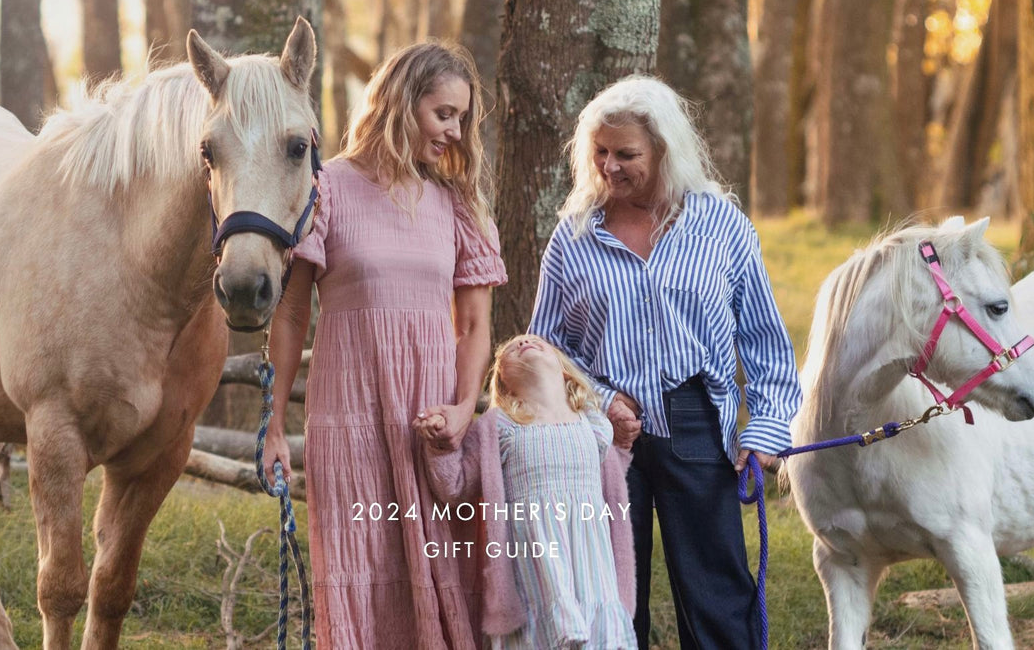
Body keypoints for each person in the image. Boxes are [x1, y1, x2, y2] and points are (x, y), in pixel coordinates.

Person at [528, 76, 801, 649]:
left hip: (697, 418)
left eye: (626, 154)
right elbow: (543, 348)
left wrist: (767, 429)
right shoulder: (574, 235)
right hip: (603, 434)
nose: (609, 166)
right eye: (599, 152)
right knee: (610, 593)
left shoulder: (720, 225)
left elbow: (765, 342)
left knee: (717, 593)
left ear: (664, 152)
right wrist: (601, 401)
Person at [263, 40, 505, 649]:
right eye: (442, 113)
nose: (454, 131)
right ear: (401, 103)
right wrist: (272, 425)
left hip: (430, 423)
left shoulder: (458, 206)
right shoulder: (328, 190)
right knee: (358, 565)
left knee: (440, 570)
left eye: (461, 118)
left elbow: (475, 327)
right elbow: (291, 316)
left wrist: (461, 407)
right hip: (349, 417)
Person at [416, 334, 637, 649]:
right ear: (503, 382)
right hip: (535, 571)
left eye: (535, 341)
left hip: (590, 567)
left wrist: (624, 438)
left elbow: (613, 483)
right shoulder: (500, 426)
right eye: (510, 351)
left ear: (564, 369)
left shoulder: (594, 424)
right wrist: (441, 444)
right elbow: (455, 485)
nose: (522, 344)